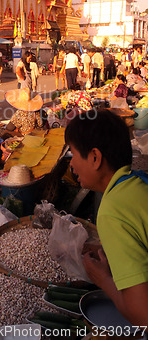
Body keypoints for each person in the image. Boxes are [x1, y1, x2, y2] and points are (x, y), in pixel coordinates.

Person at [65, 110, 148, 327]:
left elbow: (143, 316)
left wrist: (103, 279)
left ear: (94, 157)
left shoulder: (112, 211)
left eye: (73, 154)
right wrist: (108, 250)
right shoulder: (137, 183)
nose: (71, 165)